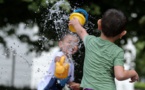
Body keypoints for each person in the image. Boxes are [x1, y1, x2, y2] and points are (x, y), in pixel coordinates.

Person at [68, 9, 139, 90]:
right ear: (122, 34)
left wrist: (75, 22)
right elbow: (120, 75)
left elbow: (80, 30)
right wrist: (133, 72)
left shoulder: (90, 41)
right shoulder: (117, 51)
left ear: (99, 24)